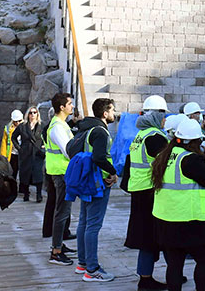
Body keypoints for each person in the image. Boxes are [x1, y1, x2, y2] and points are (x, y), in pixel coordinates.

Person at [151, 118, 205, 291]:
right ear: (196, 141)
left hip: (167, 219)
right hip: (191, 220)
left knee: (174, 264)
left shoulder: (165, 156)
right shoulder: (190, 160)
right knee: (204, 260)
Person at [124, 95, 170, 291]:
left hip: (138, 189)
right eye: (163, 115)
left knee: (146, 236)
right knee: (153, 236)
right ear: (157, 115)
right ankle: (148, 278)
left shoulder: (140, 135)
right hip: (150, 192)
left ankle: (146, 275)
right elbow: (167, 164)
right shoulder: (155, 137)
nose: (165, 119)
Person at [72, 98, 119, 282]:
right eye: (112, 110)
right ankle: (91, 269)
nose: (114, 113)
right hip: (98, 182)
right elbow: (99, 157)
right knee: (93, 225)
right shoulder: (100, 131)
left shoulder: (87, 128)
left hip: (87, 180)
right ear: (105, 113)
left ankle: (82, 263)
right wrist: (113, 172)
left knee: (84, 222)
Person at [45, 92, 77, 266]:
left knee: (63, 211)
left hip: (63, 172)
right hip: (61, 172)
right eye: (70, 104)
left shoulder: (61, 124)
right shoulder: (57, 126)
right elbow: (68, 150)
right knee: (62, 211)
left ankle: (59, 245)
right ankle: (56, 251)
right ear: (62, 107)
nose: (72, 106)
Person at [11, 106, 45, 202]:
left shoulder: (41, 125)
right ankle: (26, 193)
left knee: (38, 173)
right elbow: (13, 137)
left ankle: (39, 195)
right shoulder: (22, 126)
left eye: (35, 112)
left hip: (37, 153)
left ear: (37, 114)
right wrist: (19, 149)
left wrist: (44, 147)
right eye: (31, 113)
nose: (33, 115)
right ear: (28, 114)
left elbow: (47, 137)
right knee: (25, 174)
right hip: (26, 153)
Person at [0, 110, 23, 182]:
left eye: (19, 121)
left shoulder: (26, 127)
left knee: (24, 173)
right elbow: (4, 143)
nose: (18, 123)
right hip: (12, 153)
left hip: (23, 153)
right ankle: (12, 189)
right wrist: (3, 157)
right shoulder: (8, 129)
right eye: (16, 121)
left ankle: (22, 189)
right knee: (13, 172)